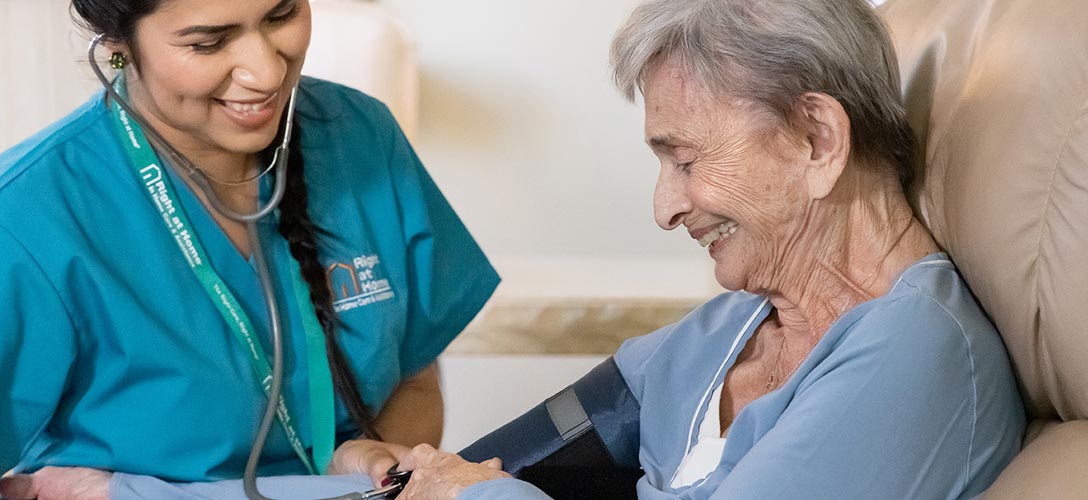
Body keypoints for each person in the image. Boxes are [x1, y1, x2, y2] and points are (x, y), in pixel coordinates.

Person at [0, 0, 499, 498]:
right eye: (207, 41)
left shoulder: (360, 136)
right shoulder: (25, 217)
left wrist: (363, 464)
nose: (267, 70)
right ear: (117, 47)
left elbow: (414, 379)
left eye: (281, 15)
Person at [391, 0, 1027, 498]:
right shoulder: (736, 323)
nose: (664, 209)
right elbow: (500, 457)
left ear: (817, 140)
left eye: (686, 159)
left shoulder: (917, 354)